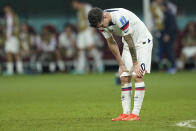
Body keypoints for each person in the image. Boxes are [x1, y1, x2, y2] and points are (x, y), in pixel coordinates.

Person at [88, 8, 153, 121]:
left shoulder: (119, 18)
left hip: (141, 42)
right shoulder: (101, 23)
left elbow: (129, 38)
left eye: (101, 25)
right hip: (128, 45)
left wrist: (135, 63)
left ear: (105, 17)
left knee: (137, 75)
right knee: (124, 77)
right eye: (99, 26)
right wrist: (121, 64)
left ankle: (135, 114)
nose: (101, 27)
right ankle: (125, 113)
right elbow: (111, 42)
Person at [72, 0, 103, 73]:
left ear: (77, 2)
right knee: (81, 50)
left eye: (73, 4)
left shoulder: (87, 7)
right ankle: (81, 68)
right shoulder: (78, 11)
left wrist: (93, 28)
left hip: (88, 30)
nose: (73, 6)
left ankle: (100, 65)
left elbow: (92, 18)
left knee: (91, 48)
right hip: (81, 32)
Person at [3, 5, 23, 75]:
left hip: (14, 37)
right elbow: (6, 27)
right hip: (8, 38)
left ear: (10, 8)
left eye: (7, 8)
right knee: (8, 53)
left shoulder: (14, 16)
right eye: (5, 8)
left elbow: (14, 27)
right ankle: (10, 71)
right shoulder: (5, 17)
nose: (5, 9)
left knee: (16, 53)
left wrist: (12, 34)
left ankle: (20, 70)